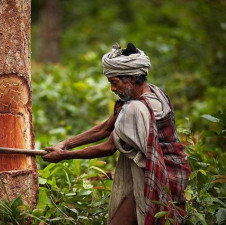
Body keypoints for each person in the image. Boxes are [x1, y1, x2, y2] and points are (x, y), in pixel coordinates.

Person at [42, 43, 191, 225]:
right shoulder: (154, 91)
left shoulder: (136, 108)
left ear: (131, 78)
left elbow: (109, 147)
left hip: (159, 174)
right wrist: (65, 143)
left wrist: (64, 156)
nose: (112, 89)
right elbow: (105, 128)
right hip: (158, 171)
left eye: (115, 82)